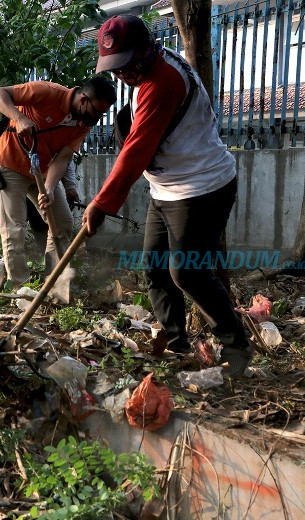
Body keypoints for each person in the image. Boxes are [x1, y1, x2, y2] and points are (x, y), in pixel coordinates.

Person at [83, 15, 252, 376]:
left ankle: (237, 345)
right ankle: (176, 343)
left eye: (124, 66)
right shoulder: (149, 69)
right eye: (114, 68)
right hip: (168, 189)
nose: (119, 75)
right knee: (155, 267)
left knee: (187, 273)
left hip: (202, 188)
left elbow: (136, 152)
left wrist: (101, 204)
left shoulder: (163, 81)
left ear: (144, 53)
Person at [0, 76, 116, 289]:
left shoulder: (83, 123)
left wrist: (49, 189)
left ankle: (54, 281)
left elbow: (63, 158)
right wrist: (18, 118)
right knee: (15, 227)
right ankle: (20, 287)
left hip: (41, 170)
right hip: (9, 163)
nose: (98, 118)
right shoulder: (46, 92)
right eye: (98, 112)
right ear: (84, 100)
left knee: (63, 222)